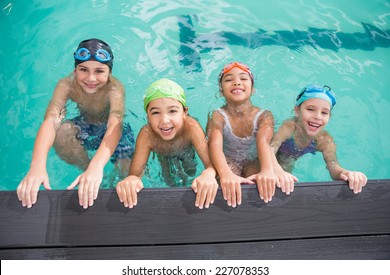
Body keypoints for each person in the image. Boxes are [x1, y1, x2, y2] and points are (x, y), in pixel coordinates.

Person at [17, 38, 135, 209]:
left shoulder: (114, 88)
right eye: (83, 70)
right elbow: (51, 121)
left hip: (113, 130)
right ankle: (87, 171)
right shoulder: (66, 85)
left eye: (99, 71)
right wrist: (37, 166)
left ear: (109, 72)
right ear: (75, 70)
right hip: (85, 126)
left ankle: (99, 172)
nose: (91, 78)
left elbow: (115, 123)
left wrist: (98, 164)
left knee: (127, 171)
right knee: (63, 131)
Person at [116, 78, 218, 209]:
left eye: (173, 111)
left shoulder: (191, 127)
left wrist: (208, 174)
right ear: (147, 116)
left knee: (190, 171)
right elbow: (135, 173)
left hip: (186, 149)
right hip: (162, 152)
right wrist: (132, 180)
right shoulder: (147, 134)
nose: (164, 120)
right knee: (168, 179)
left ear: (184, 112)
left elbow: (211, 164)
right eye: (156, 113)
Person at [271, 85, 367, 195]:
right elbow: (270, 148)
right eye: (310, 109)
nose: (318, 117)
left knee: (285, 178)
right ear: (297, 111)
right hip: (274, 153)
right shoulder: (289, 127)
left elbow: (333, 166)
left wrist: (345, 173)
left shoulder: (325, 140)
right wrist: (277, 169)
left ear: (329, 117)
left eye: (324, 113)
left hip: (291, 157)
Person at [206, 62, 276, 208]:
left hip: (253, 160)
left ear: (253, 89)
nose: (236, 82)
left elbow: (263, 142)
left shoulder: (264, 116)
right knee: (227, 183)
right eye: (229, 79)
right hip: (229, 160)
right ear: (221, 91)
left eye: (243, 78)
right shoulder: (217, 115)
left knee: (260, 181)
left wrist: (267, 170)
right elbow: (214, 145)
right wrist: (225, 173)